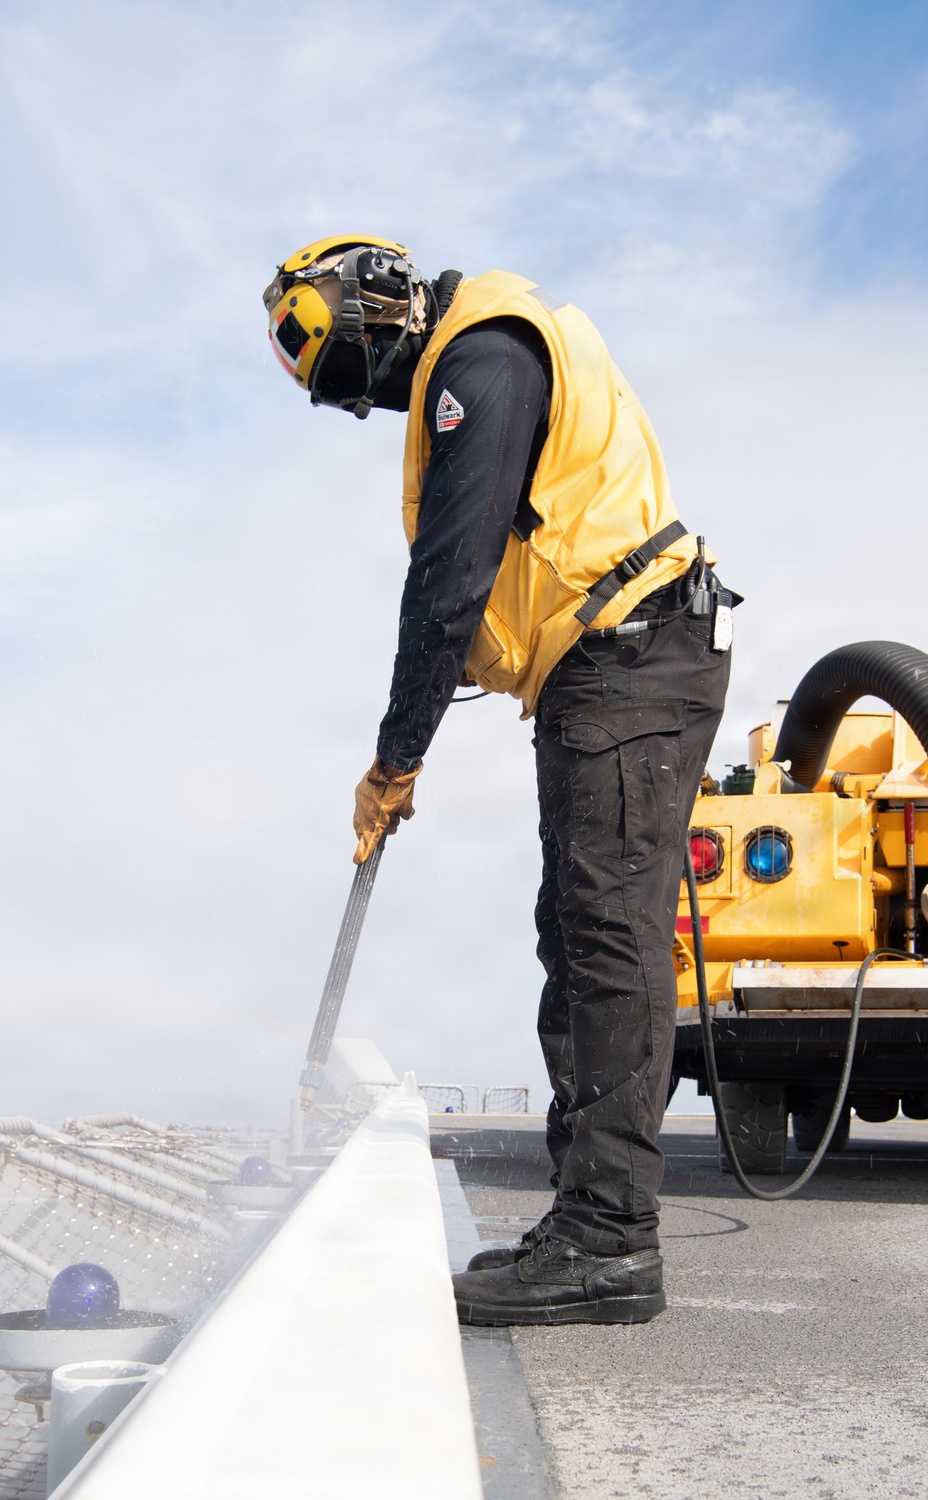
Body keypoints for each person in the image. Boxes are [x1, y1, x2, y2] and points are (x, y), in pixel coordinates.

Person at [263, 236, 734, 1326]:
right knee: (574, 933)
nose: (368, 403)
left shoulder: (483, 363)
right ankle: (585, 1217)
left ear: (376, 301)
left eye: (350, 373)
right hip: (605, 667)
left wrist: (396, 756)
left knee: (606, 938)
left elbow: (452, 579)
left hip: (629, 657)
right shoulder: (479, 356)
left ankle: (611, 1243)